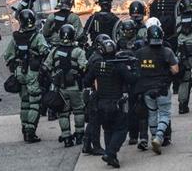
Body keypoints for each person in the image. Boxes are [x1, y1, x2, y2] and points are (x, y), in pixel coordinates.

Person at [84, 37, 137, 168]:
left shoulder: (97, 65)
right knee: (121, 129)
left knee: (108, 129)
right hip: (116, 104)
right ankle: (111, 153)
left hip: (101, 104)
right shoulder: (119, 66)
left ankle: (110, 155)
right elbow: (132, 80)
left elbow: (86, 81)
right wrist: (134, 68)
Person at [4, 9, 50, 143]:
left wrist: (15, 68)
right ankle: (30, 132)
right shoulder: (37, 37)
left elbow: (8, 56)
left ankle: (24, 128)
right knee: (34, 102)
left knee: (24, 102)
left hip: (19, 72)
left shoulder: (15, 37)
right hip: (33, 73)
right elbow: (45, 51)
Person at [134, 25, 179, 155]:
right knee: (164, 114)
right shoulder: (167, 52)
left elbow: (135, 69)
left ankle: (154, 136)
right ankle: (159, 137)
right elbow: (175, 70)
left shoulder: (140, 53)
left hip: (146, 90)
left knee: (152, 114)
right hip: (162, 89)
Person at [43, 24, 87, 147]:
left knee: (63, 113)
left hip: (60, 89)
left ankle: (66, 137)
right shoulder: (78, 51)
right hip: (75, 87)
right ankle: (79, 135)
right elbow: (84, 67)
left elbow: (46, 66)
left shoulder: (55, 51)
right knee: (79, 111)